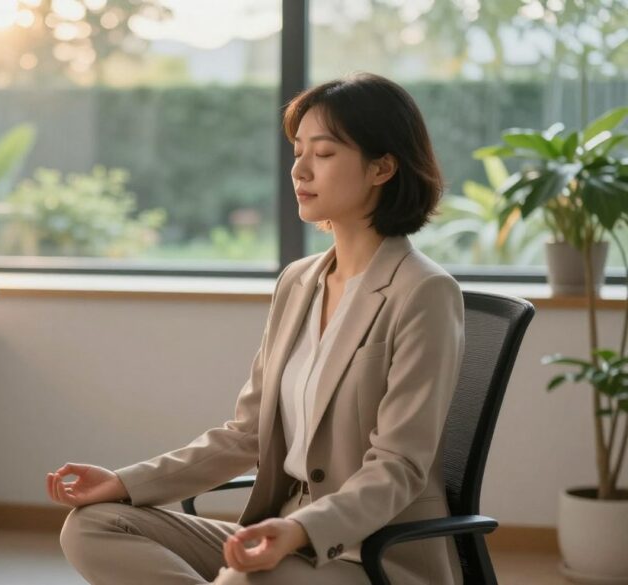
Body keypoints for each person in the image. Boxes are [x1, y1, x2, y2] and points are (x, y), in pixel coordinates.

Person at [46, 72, 465, 585]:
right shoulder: (298, 281)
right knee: (92, 525)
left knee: (244, 580)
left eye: (325, 154)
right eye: (297, 152)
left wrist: (300, 532)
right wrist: (123, 482)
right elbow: (247, 434)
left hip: (368, 556)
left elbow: (398, 465)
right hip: (280, 534)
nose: (300, 170)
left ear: (382, 168)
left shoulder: (423, 291)